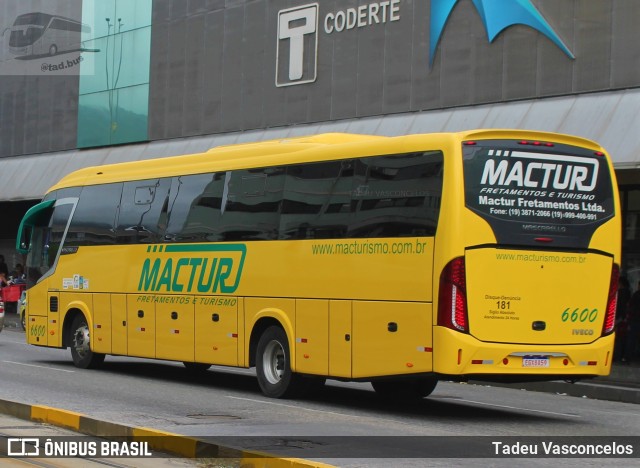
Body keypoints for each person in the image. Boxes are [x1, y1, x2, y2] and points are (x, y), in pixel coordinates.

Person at [622, 280, 640, 363]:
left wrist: (628, 319)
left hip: (635, 320)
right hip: (635, 319)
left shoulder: (636, 295)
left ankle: (627, 357)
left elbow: (630, 307)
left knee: (631, 339)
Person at [614, 276, 631, 361]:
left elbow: (620, 306)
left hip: (619, 317)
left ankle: (616, 355)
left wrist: (618, 317)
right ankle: (620, 355)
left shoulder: (621, 293)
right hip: (623, 318)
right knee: (622, 338)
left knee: (617, 338)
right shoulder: (628, 292)